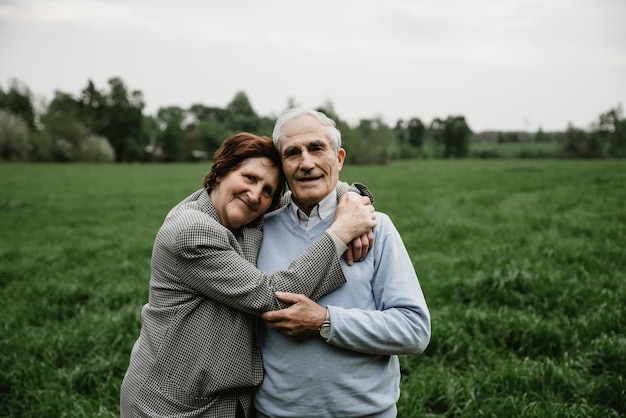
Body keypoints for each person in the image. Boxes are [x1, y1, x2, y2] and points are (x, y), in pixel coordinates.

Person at [120, 132, 377, 418]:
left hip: (228, 400)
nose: (256, 195)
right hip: (171, 403)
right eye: (249, 178)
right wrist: (341, 232)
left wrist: (351, 196)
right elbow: (273, 296)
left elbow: (311, 190)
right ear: (219, 173)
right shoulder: (192, 230)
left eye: (268, 190)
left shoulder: (245, 212)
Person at [255, 109, 431, 417]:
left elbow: (414, 329)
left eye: (317, 148)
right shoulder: (257, 230)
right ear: (282, 167)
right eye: (292, 153)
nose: (306, 163)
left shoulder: (376, 227)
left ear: (339, 159)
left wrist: (325, 321)